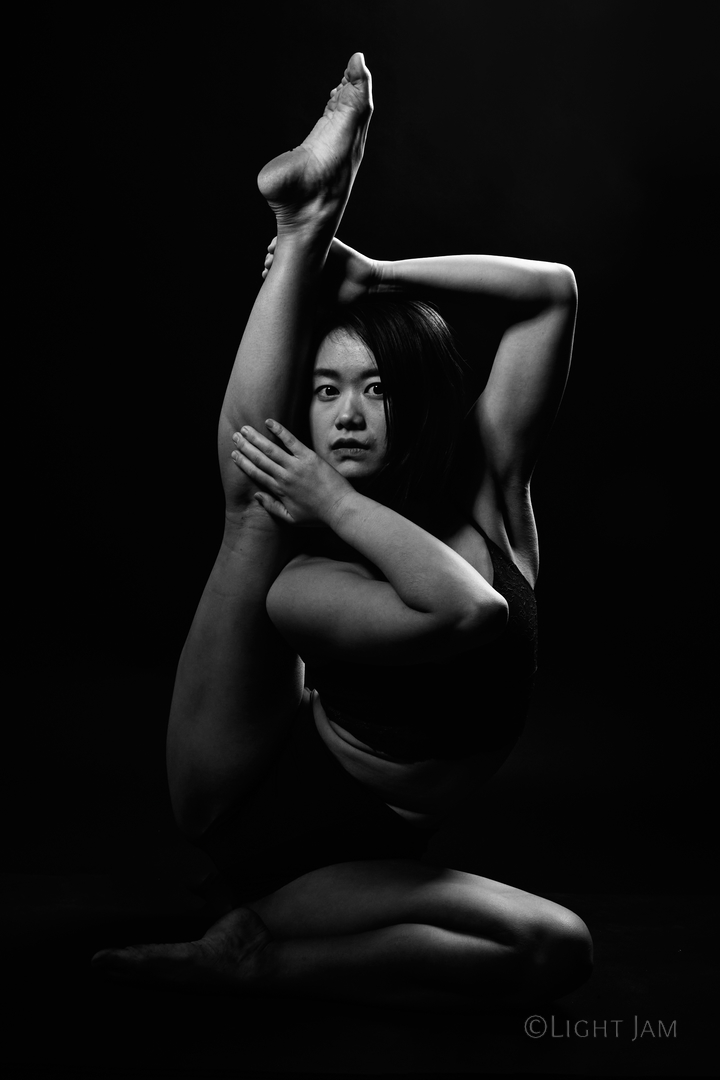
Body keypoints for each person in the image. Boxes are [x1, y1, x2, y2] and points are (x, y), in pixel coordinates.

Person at [92, 52, 591, 1010]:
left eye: (375, 389)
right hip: (260, 821)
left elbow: (553, 292)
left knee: (559, 953)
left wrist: (372, 275)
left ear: (416, 402)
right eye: (324, 392)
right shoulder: (304, 578)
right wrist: (323, 499)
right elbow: (469, 611)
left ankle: (263, 964)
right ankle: (303, 221)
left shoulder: (492, 491)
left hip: (379, 845)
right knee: (254, 511)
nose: (349, 415)